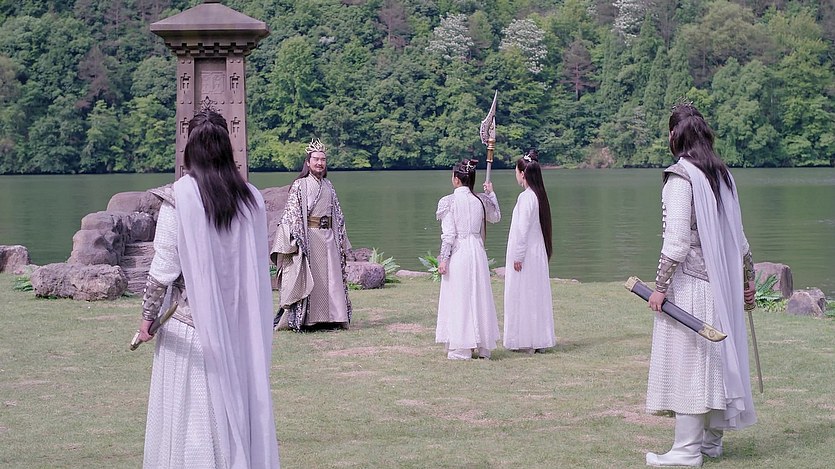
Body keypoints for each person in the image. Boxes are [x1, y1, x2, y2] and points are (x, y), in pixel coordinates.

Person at [136, 110, 280, 468]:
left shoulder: (179, 199)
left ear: (191, 150)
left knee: (193, 422)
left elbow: (162, 271)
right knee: (230, 410)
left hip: (190, 326)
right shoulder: (250, 199)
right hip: (239, 327)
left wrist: (147, 320)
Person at [644, 103, 757, 467]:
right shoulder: (723, 175)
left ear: (674, 136)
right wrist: (747, 282)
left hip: (692, 287)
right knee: (714, 362)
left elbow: (676, 242)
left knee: (691, 364)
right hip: (723, 285)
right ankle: (711, 443)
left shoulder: (681, 177)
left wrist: (660, 286)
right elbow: (740, 241)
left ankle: (687, 450)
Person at [271, 138, 352, 331]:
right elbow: (291, 214)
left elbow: (338, 215)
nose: (320, 163)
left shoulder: (328, 185)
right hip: (309, 237)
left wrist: (341, 239)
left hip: (329, 236)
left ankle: (334, 317)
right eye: (316, 159)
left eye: (323, 159)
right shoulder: (300, 185)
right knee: (313, 278)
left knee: (332, 278)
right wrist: (296, 240)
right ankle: (309, 320)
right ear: (308, 162)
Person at [435, 159, 501, 360]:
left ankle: (462, 347)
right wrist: (491, 194)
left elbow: (449, 235)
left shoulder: (449, 201)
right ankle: (483, 346)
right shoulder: (480, 200)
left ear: (456, 179)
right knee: (478, 294)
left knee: (460, 295)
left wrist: (444, 258)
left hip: (461, 250)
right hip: (477, 250)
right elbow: (496, 217)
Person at [503, 150, 556, 354]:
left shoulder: (526, 197)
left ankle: (525, 340)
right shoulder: (538, 195)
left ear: (523, 174)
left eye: (516, 172)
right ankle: (538, 339)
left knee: (523, 293)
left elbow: (522, 229)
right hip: (536, 251)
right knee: (535, 293)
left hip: (526, 253)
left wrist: (518, 255)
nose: (515, 175)